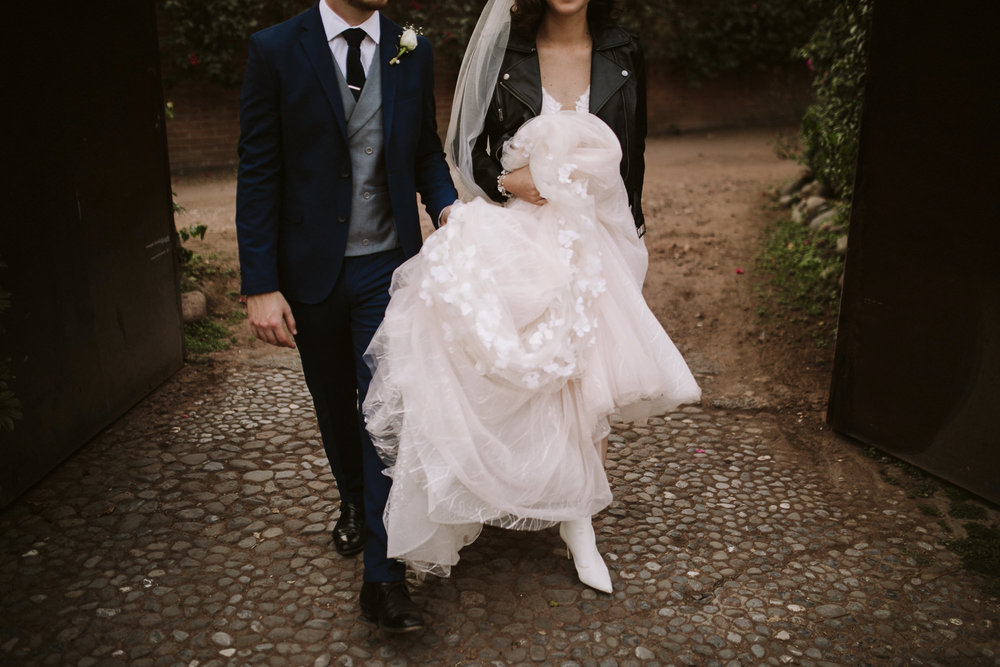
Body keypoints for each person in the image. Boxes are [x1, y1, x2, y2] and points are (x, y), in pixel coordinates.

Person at [362, 0, 700, 595]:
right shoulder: (506, 52)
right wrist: (503, 180)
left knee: (589, 378)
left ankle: (580, 520)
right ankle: (511, 492)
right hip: (525, 230)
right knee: (525, 369)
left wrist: (632, 237)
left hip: (601, 236)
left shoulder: (623, 52)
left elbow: (633, 151)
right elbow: (467, 148)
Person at [235, 0, 457, 633]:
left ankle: (383, 581)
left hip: (387, 268)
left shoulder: (412, 45)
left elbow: (424, 153)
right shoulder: (276, 49)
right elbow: (258, 168)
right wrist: (259, 284)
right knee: (335, 404)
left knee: (386, 406)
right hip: (310, 270)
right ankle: (355, 499)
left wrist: (447, 210)